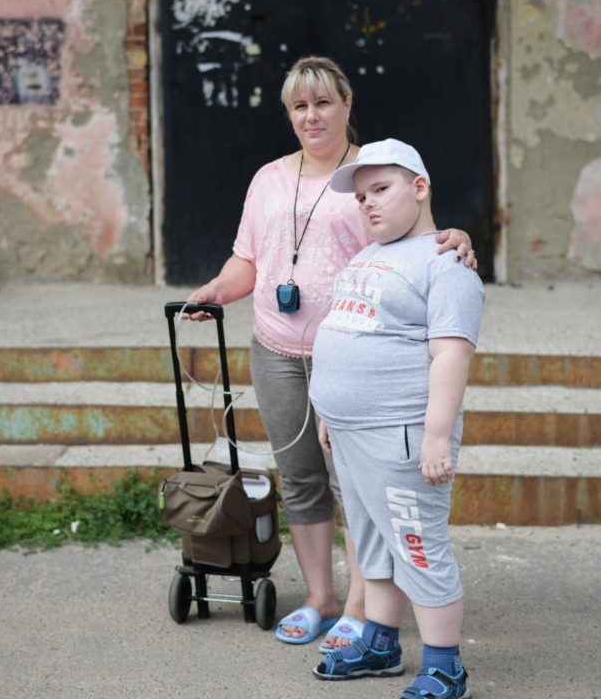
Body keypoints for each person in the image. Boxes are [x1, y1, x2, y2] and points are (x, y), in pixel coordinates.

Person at [187, 56, 477, 649]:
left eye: (323, 102)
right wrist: (217, 289)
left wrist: (459, 237)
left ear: (347, 104)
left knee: (356, 485)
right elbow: (248, 258)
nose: (311, 116)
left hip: (352, 353)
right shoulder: (268, 179)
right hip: (275, 348)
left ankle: (361, 606)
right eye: (300, 106)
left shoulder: (370, 174)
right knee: (299, 477)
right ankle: (320, 597)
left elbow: (416, 235)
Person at [309, 138, 484, 699]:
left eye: (380, 190)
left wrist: (436, 435)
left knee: (416, 544)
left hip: (402, 433)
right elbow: (347, 332)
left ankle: (445, 667)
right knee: (374, 544)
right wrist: (330, 410)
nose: (368, 204)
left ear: (420, 187)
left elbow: (451, 355)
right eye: (361, 197)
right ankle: (381, 644)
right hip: (350, 432)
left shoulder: (446, 264)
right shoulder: (367, 257)